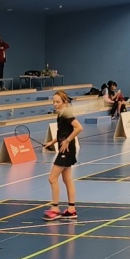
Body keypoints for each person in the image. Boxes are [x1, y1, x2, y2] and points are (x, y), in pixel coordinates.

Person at [43, 89, 83, 219]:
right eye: (54, 102)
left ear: (64, 102)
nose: (55, 104)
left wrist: (67, 140)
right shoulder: (61, 113)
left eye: (57, 102)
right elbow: (62, 132)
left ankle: (55, 208)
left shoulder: (66, 113)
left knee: (52, 178)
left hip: (66, 150)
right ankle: (71, 209)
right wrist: (52, 142)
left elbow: (79, 128)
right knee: (67, 179)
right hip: (65, 149)